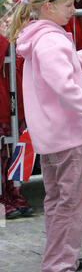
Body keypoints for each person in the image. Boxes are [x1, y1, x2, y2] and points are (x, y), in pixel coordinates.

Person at [10, 0, 82, 272]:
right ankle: (58, 265)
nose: (72, 10)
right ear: (49, 6)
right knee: (71, 198)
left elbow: (65, 69)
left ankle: (62, 253)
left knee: (58, 197)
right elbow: (65, 85)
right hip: (63, 133)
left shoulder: (41, 35)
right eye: (68, 4)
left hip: (51, 132)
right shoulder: (50, 39)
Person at [0, 31, 34, 219]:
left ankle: (15, 193)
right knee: (3, 155)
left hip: (16, 104)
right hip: (4, 105)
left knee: (16, 154)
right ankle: (2, 197)